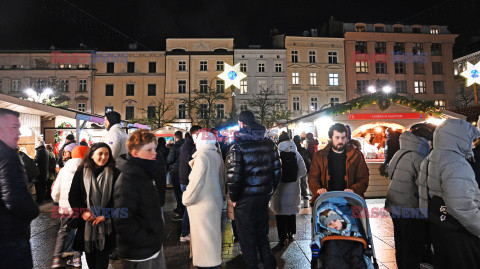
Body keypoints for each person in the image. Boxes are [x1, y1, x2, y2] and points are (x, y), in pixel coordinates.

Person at [419, 119, 480, 269]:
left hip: (439, 225)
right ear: (459, 138)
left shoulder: (431, 157)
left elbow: (422, 194)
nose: (472, 144)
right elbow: (461, 206)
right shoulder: (455, 163)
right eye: (470, 139)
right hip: (459, 231)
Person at [226, 110, 282, 269]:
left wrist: (234, 198)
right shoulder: (270, 144)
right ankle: (270, 265)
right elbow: (277, 171)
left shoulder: (237, 145)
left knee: (247, 240)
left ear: (241, 124)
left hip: (245, 199)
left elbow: (233, 177)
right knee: (262, 236)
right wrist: (269, 191)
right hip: (263, 197)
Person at [114, 129, 166, 269]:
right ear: (135, 153)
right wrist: (148, 238)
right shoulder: (128, 179)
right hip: (139, 252)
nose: (154, 153)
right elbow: (122, 219)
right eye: (149, 150)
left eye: (154, 149)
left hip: (151, 248)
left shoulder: (144, 174)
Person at [384, 128, 432, 269]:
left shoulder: (400, 152)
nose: (431, 146)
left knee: (401, 244)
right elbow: (423, 186)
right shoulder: (418, 158)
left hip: (394, 205)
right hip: (410, 208)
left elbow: (390, 172)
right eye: (429, 142)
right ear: (423, 141)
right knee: (412, 246)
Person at [68, 143, 120, 269]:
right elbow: (74, 196)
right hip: (86, 224)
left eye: (106, 154)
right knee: (90, 260)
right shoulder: (81, 172)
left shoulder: (115, 173)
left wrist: (105, 215)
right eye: (100, 154)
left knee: (102, 261)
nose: (103, 157)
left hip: (106, 224)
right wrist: (83, 213)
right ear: (91, 155)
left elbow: (120, 198)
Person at [0, 108, 39, 269]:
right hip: (10, 238)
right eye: (14, 127)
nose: (19, 133)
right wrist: (33, 211)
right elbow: (15, 199)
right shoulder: (8, 155)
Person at [183, 131, 226, 268]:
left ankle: (206, 263)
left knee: (203, 237)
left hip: (202, 203)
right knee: (212, 235)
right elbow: (222, 178)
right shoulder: (216, 155)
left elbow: (196, 183)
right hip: (214, 199)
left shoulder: (202, 156)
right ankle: (213, 260)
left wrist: (186, 198)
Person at [309, 123, 369, 204]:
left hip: (350, 201)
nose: (340, 141)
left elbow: (363, 178)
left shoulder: (356, 156)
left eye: (343, 138)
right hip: (326, 201)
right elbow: (313, 177)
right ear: (331, 138)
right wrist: (318, 189)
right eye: (337, 138)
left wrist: (353, 190)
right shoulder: (319, 156)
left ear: (347, 138)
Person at [51, 145, 89, 268]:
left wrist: (58, 201)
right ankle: (77, 259)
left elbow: (55, 190)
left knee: (63, 231)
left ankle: (56, 259)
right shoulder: (86, 169)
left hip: (65, 207)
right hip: (79, 207)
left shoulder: (63, 169)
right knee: (79, 232)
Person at [270, 139, 307, 247]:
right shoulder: (297, 154)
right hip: (293, 190)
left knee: (280, 214)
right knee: (291, 213)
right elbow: (303, 171)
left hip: (280, 190)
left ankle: (282, 237)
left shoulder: (277, 154)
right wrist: (295, 178)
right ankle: (291, 233)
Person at [178, 125, 203, 242]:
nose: (201, 136)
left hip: (189, 180)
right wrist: (198, 149)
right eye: (199, 134)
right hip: (186, 181)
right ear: (193, 135)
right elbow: (190, 161)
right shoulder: (186, 146)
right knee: (189, 208)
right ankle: (184, 233)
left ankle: (188, 231)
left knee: (191, 207)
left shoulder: (190, 145)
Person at [167, 131, 185, 220]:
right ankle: (182, 210)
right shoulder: (187, 145)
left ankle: (181, 212)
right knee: (184, 192)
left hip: (175, 171)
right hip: (185, 171)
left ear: (175, 137)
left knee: (177, 193)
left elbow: (170, 160)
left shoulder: (174, 147)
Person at [293, 135, 311, 207]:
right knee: (304, 184)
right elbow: (307, 160)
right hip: (303, 169)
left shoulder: (292, 150)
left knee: (295, 185)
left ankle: (296, 202)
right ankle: (306, 201)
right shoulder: (303, 150)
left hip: (295, 170)